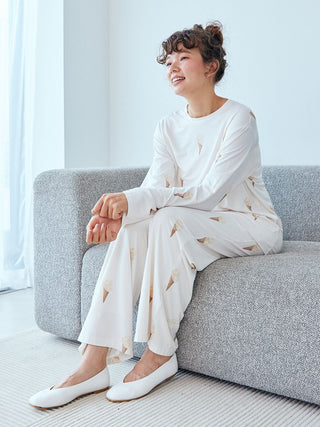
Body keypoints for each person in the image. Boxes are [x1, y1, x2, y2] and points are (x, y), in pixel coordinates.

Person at [29, 21, 283, 409]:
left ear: (210, 66)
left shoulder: (239, 119)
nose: (173, 67)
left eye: (184, 57)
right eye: (168, 61)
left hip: (250, 225)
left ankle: (160, 352)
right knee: (142, 223)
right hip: (192, 223)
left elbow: (208, 192)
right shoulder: (168, 126)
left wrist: (134, 201)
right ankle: (93, 360)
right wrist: (124, 217)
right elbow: (155, 188)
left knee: (166, 219)